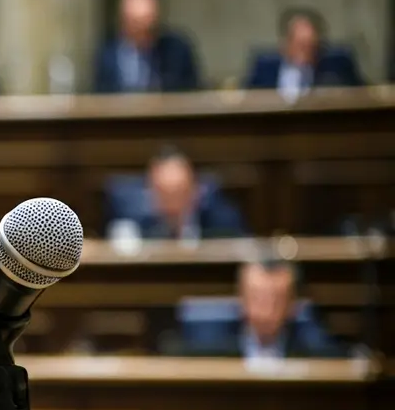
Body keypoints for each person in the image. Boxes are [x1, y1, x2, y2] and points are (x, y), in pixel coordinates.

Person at [180, 260, 347, 359]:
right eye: (258, 299)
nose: (266, 312)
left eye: (276, 301)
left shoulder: (316, 352)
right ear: (241, 300)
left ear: (292, 305)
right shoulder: (209, 350)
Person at [93, 0, 201, 94]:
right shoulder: (108, 54)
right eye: (137, 26)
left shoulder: (176, 51)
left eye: (150, 27)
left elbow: (190, 91)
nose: (144, 34)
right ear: (124, 23)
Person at [244, 8, 364, 98]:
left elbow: (363, 95)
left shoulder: (336, 67)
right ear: (284, 44)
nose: (306, 52)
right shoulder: (264, 68)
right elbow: (245, 100)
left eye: (311, 46)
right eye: (300, 45)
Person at [137, 146, 246, 240]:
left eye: (179, 194)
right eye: (165, 195)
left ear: (195, 190)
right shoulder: (137, 223)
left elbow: (249, 250)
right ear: (150, 191)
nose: (173, 205)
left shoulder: (221, 219)